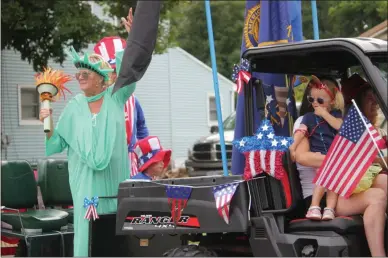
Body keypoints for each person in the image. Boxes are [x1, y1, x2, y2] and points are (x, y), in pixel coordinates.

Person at [39, 2, 161, 256]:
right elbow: (52, 145)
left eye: (88, 71)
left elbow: (130, 67)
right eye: (80, 71)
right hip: (85, 192)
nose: (81, 75)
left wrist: (132, 37)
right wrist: (46, 121)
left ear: (103, 79)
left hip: (115, 191)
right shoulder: (73, 107)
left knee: (115, 243)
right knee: (87, 244)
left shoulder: (117, 98)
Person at [294, 74, 387, 257]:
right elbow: (301, 156)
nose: (317, 103)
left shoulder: (337, 122)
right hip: (320, 195)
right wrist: (346, 158)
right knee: (377, 196)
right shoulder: (306, 121)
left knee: (384, 182)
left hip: (341, 184)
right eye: (313, 99)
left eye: (323, 99)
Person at [94, 8, 149, 178]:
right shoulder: (96, 100)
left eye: (118, 70)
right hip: (105, 162)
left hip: (130, 162)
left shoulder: (132, 99)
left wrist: (146, 155)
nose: (114, 75)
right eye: (111, 70)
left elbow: (142, 128)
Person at [289, 75, 344, 220]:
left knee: (332, 185)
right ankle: (314, 206)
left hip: (332, 156)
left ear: (332, 101)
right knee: (324, 178)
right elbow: (301, 132)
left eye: (320, 100)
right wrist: (293, 146)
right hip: (320, 155)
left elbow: (340, 126)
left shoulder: (335, 116)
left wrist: (325, 114)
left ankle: (329, 210)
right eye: (311, 99)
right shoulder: (308, 117)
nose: (315, 103)